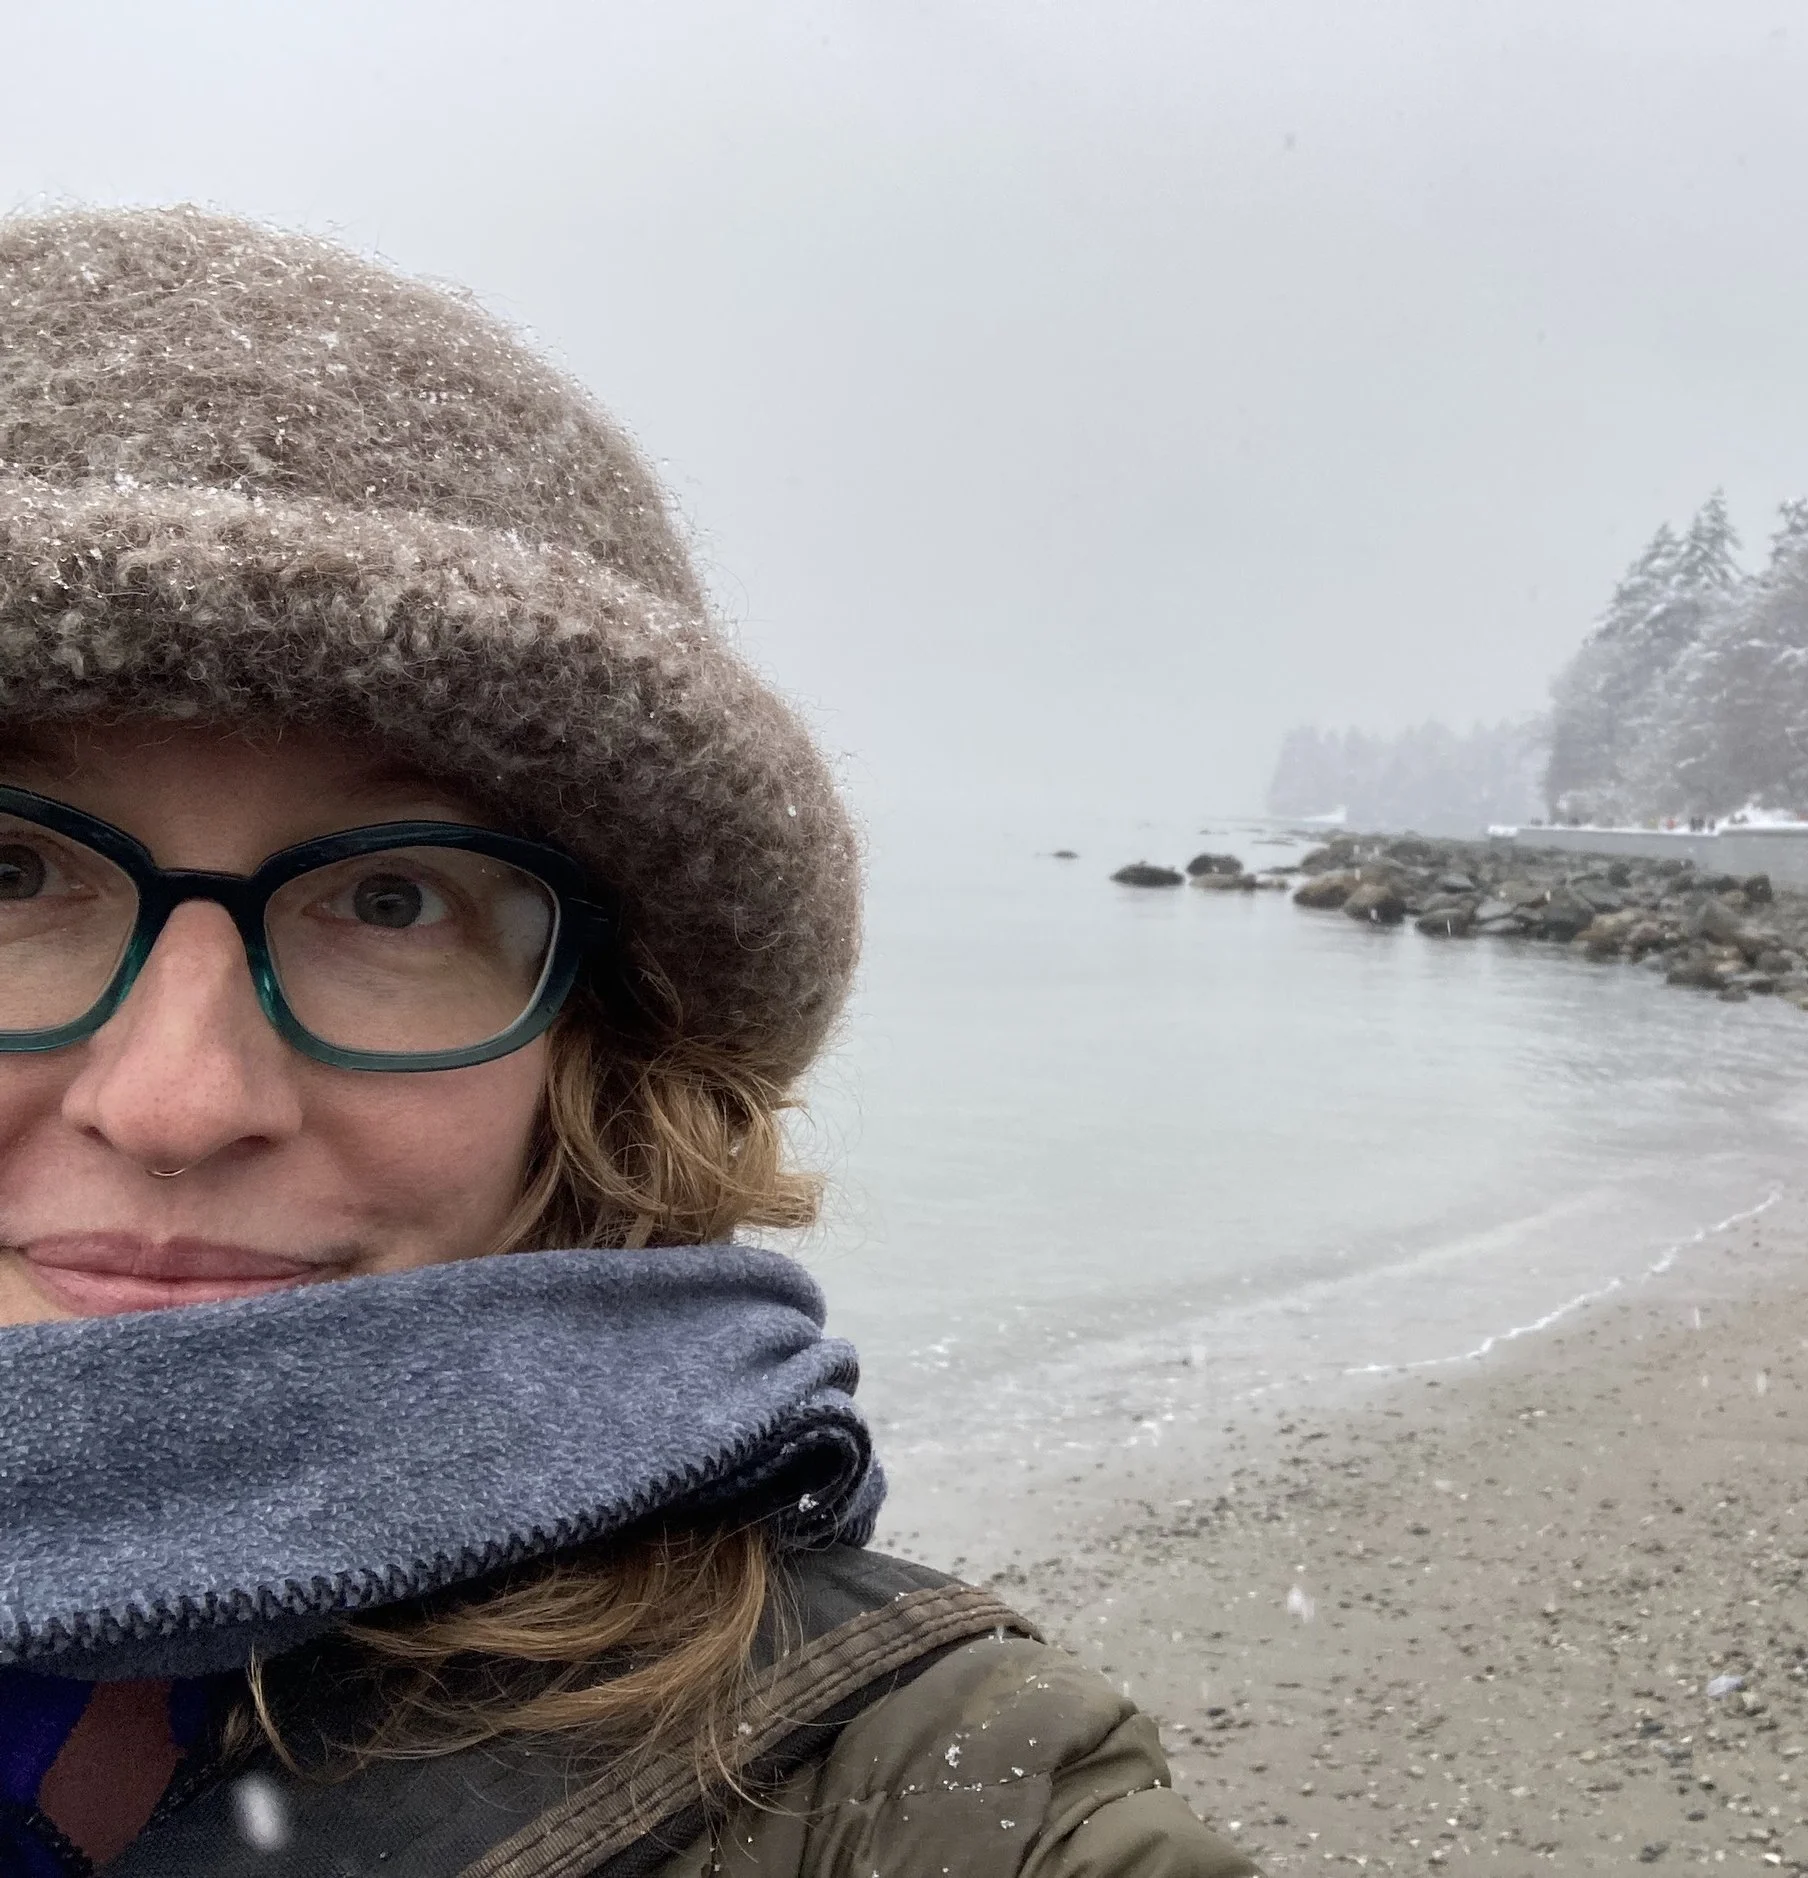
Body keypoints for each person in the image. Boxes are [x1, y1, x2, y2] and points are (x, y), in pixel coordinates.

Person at [0, 207, 1253, 1878]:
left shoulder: (919, 1791)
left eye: (390, 899)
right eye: (10, 872)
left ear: (605, 1045)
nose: (178, 1099)